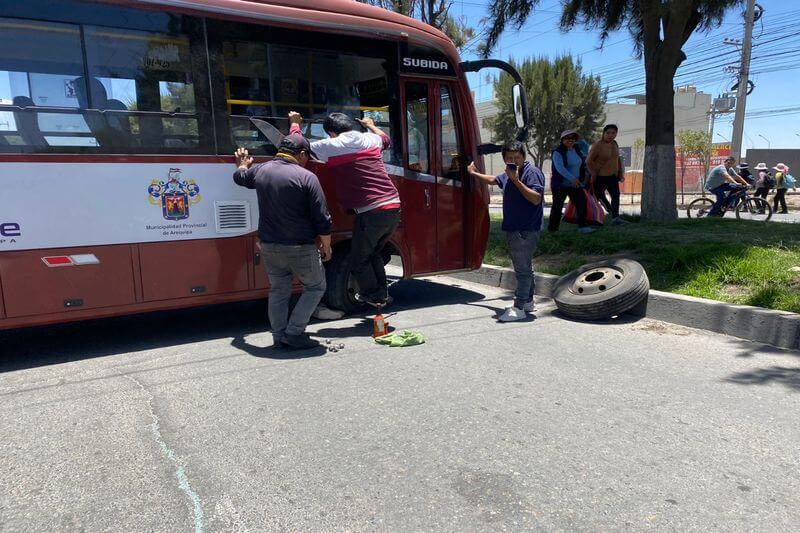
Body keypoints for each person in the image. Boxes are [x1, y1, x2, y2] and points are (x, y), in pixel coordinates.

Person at [233, 116, 332, 349]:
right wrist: (326, 245)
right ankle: (294, 332)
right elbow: (322, 218)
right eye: (308, 158)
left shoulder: (260, 171)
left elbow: (240, 178)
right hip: (300, 246)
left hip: (269, 246)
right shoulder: (306, 177)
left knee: (278, 290)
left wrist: (242, 164)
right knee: (316, 287)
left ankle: (279, 335)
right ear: (302, 155)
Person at [290, 112, 400, 307]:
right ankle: (381, 294)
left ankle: (375, 295)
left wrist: (295, 124)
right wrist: (371, 125)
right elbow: (386, 139)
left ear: (331, 132)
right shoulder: (370, 138)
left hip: (372, 210)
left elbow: (296, 146)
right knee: (373, 252)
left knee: (359, 260)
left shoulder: (331, 145)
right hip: (393, 206)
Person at [467, 141, 545, 322]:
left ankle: (519, 307)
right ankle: (528, 301)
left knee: (522, 270)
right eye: (509, 158)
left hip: (524, 230)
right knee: (526, 267)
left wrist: (516, 181)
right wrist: (473, 173)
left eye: (517, 157)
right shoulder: (508, 174)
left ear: (523, 157)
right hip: (515, 228)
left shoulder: (531, 173)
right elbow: (494, 180)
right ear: (504, 159)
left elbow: (536, 199)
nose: (513, 161)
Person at [548, 130, 593, 234]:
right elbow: (560, 168)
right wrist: (572, 179)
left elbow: (582, 162)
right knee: (557, 207)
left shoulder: (577, 149)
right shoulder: (557, 152)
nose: (570, 140)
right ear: (562, 140)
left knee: (582, 203)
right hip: (561, 185)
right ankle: (553, 229)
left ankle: (582, 226)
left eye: (573, 138)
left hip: (576, 184)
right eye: (567, 138)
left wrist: (586, 174)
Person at [587, 124, 625, 225]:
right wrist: (593, 173)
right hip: (600, 177)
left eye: (613, 133)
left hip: (613, 177)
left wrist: (620, 174)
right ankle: (591, 218)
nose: (610, 135)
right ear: (603, 133)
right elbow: (588, 161)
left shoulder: (615, 144)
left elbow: (617, 160)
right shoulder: (598, 145)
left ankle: (615, 218)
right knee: (596, 197)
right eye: (608, 133)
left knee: (616, 196)